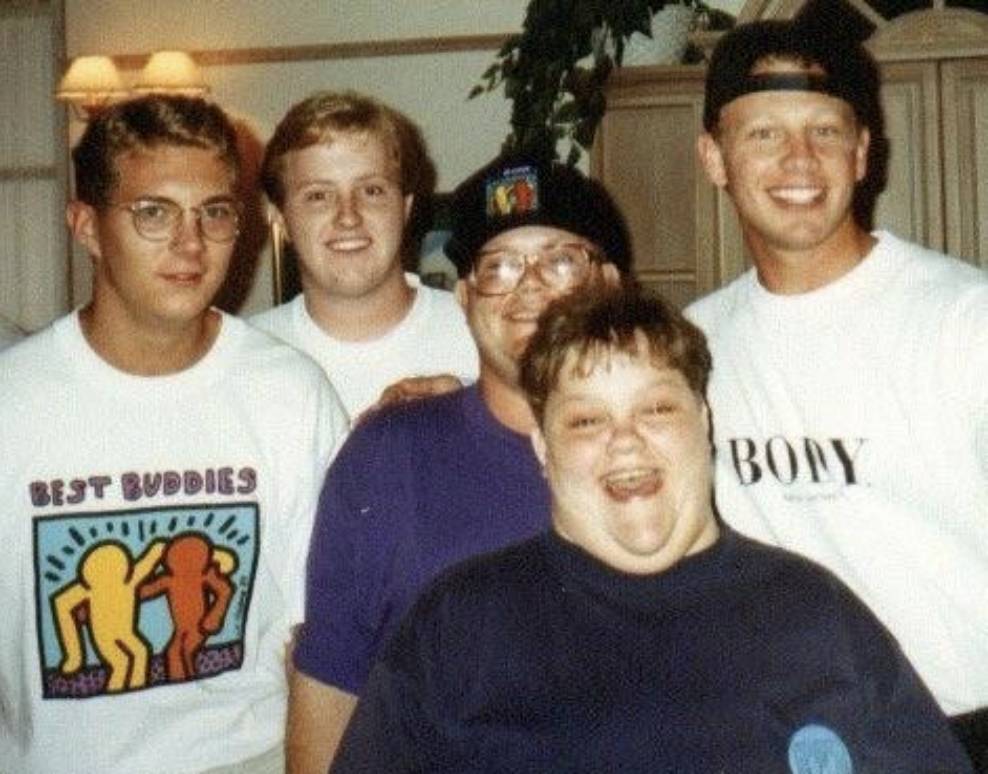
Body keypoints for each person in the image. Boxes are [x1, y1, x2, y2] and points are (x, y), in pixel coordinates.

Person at [328, 285, 973, 774]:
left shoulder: (814, 612)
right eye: (586, 421)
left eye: (657, 408)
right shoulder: (459, 623)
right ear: (543, 452)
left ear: (706, 421)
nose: (625, 441)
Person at [0, 95, 349, 774]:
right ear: (88, 227)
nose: (190, 245)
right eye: (154, 213)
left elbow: (322, 633)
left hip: (246, 756)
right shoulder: (12, 403)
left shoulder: (290, 393)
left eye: (214, 213)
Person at [687, 18, 988, 770]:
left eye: (825, 131)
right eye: (763, 134)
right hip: (768, 735)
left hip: (958, 734)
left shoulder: (965, 321)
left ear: (861, 153)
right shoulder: (689, 347)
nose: (799, 159)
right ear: (713, 157)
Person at [287, 152, 629, 774]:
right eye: (498, 265)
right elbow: (329, 692)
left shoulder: (665, 452)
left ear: (607, 284)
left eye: (559, 260)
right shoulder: (387, 457)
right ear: (466, 298)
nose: (529, 287)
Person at [251, 90, 478, 421]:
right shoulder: (247, 356)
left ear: (406, 207)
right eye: (318, 196)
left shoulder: (481, 340)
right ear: (280, 218)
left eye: (371, 191)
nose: (348, 216)